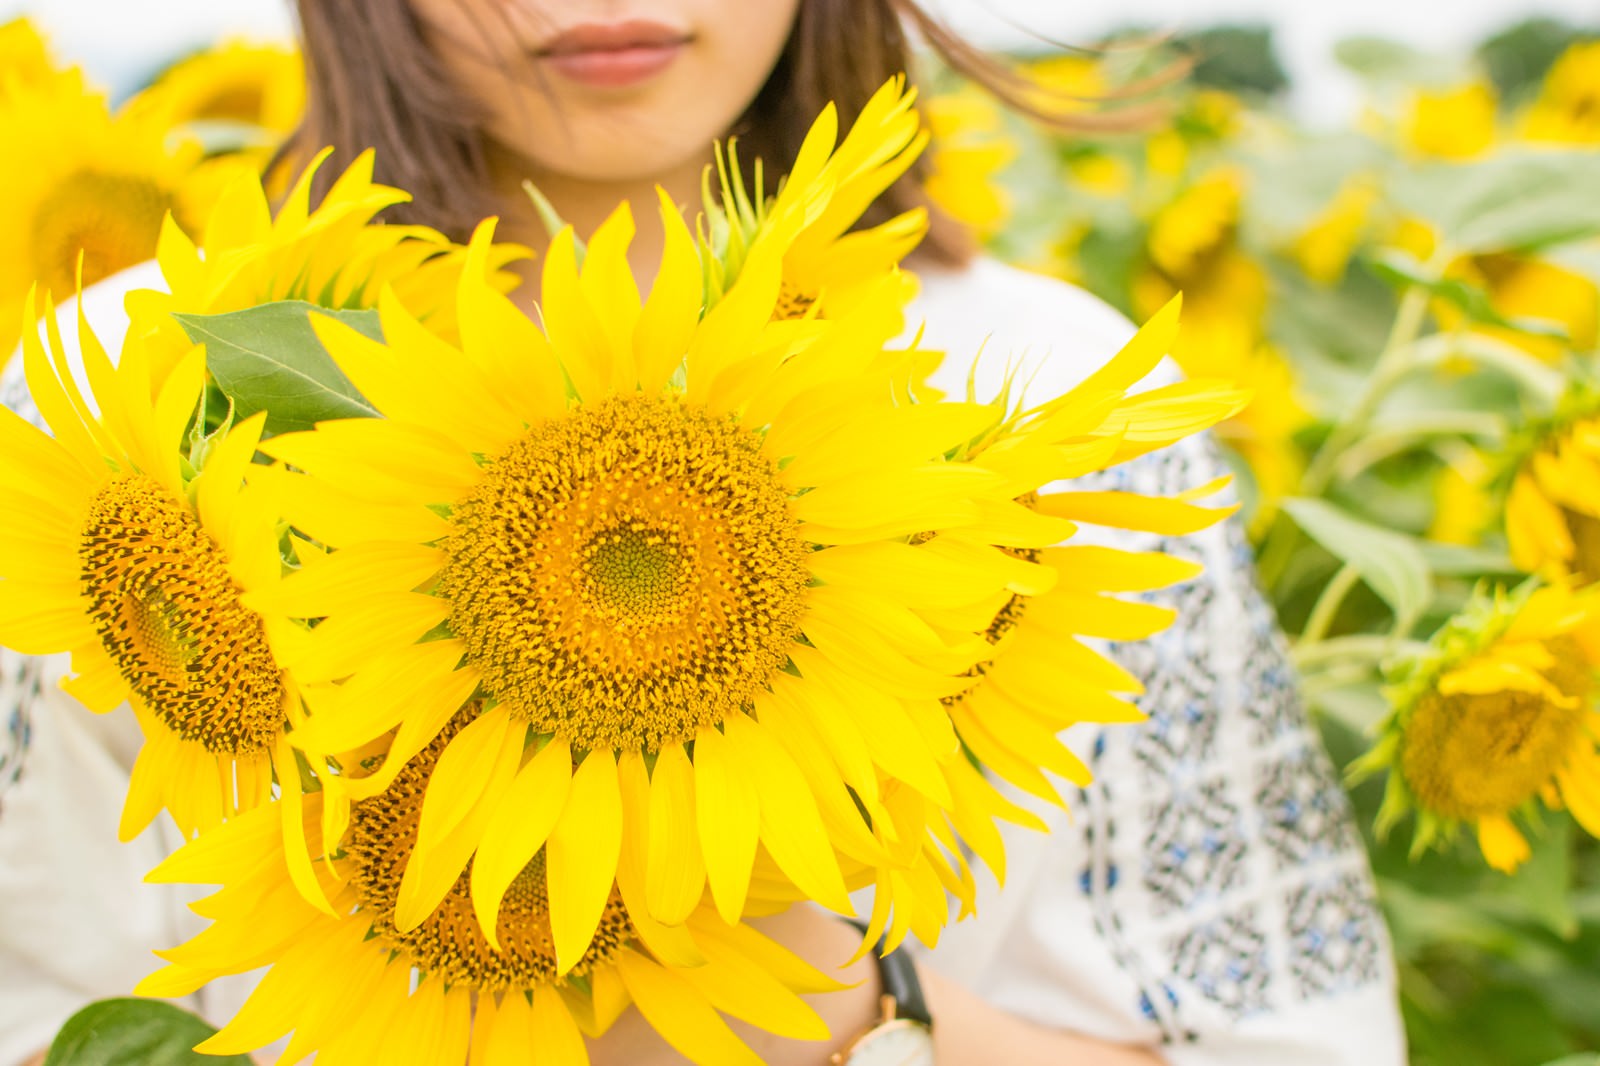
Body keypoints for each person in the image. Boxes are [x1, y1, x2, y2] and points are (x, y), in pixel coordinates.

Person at [0, 1, 1407, 1063]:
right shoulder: (147, 402)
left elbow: (1292, 1028)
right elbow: (46, 988)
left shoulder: (1061, 397)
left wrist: (843, 1002)